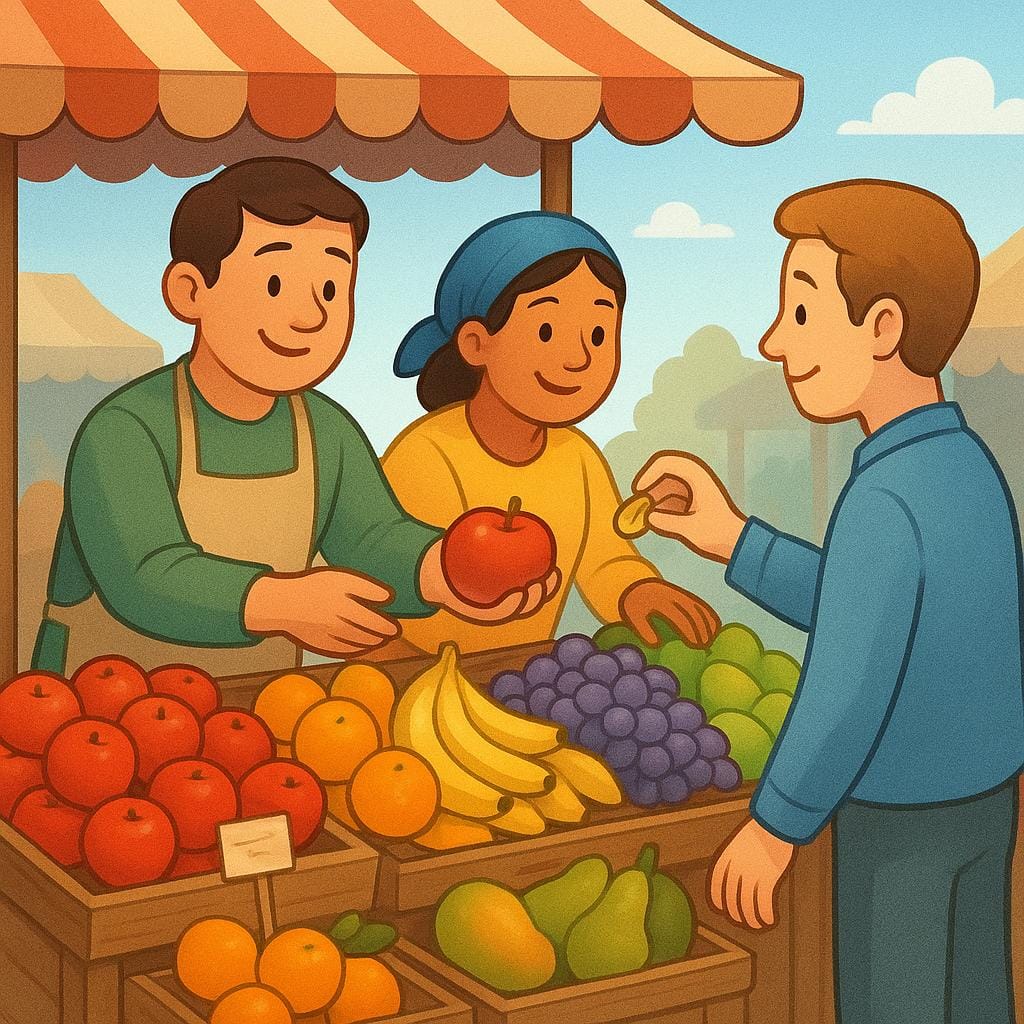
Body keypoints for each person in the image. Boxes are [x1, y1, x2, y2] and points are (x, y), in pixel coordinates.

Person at [631, 180, 1024, 1023]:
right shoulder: (967, 469)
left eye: (801, 313)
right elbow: (877, 608)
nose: (776, 341)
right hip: (988, 803)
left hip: (900, 823)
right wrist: (733, 537)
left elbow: (847, 684)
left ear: (883, 327)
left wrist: (776, 827)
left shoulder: (884, 496)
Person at [34, 159, 558, 677]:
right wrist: (277, 602)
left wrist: (440, 575)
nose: (310, 316)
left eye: (330, 289)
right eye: (275, 284)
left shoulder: (325, 429)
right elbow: (143, 578)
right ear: (190, 292)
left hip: (254, 703)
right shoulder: (125, 429)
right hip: (100, 707)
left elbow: (371, 537)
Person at [382, 211, 720, 656]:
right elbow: (385, 580)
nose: (578, 357)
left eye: (599, 333)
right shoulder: (424, 455)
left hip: (523, 675)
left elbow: (605, 557)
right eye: (546, 330)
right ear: (477, 343)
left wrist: (635, 589)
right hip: (414, 674)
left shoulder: (576, 456)